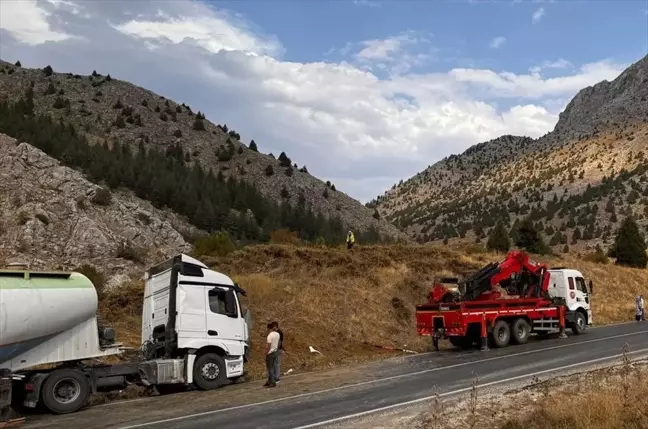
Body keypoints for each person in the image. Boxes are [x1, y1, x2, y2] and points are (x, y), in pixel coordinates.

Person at [264, 322, 280, 388]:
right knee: (273, 367)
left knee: (269, 368)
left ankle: (272, 382)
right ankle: (269, 381)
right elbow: (278, 343)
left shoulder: (270, 336)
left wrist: (266, 352)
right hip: (275, 352)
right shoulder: (277, 334)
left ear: (269, 328)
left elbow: (268, 345)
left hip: (270, 353)